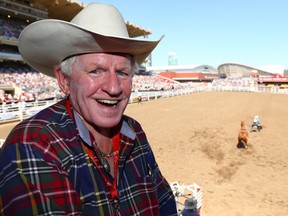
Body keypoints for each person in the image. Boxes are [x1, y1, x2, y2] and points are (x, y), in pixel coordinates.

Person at [0, 3, 177, 215]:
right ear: (64, 80)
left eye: (122, 73)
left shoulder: (134, 132)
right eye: (96, 71)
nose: (113, 88)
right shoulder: (33, 144)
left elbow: (165, 204)